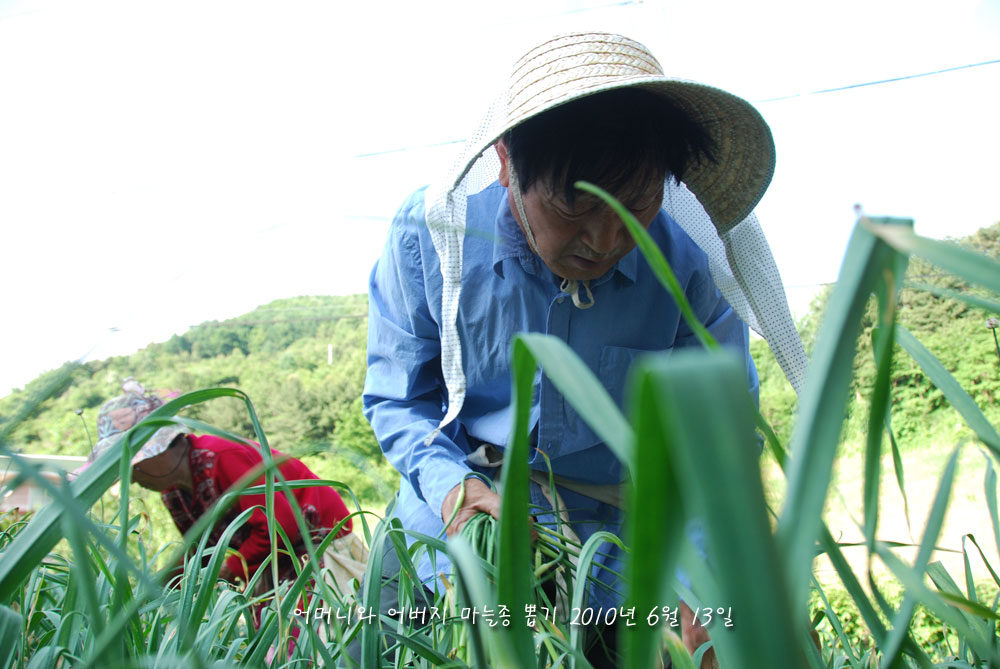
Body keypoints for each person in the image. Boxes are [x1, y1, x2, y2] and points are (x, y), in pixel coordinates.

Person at [363, 32, 806, 667]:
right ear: (507, 163)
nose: (604, 239)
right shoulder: (432, 236)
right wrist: (452, 487)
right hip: (468, 518)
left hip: (628, 539)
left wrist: (706, 592)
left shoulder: (693, 256)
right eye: (575, 203)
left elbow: (717, 445)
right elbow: (397, 400)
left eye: (636, 206)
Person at [77, 380, 367, 605]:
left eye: (134, 463)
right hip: (270, 562)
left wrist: (228, 568)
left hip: (316, 546)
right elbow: (200, 549)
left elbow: (280, 525)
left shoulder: (221, 455)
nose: (132, 477)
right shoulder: (173, 492)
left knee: (313, 639)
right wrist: (159, 585)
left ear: (163, 447)